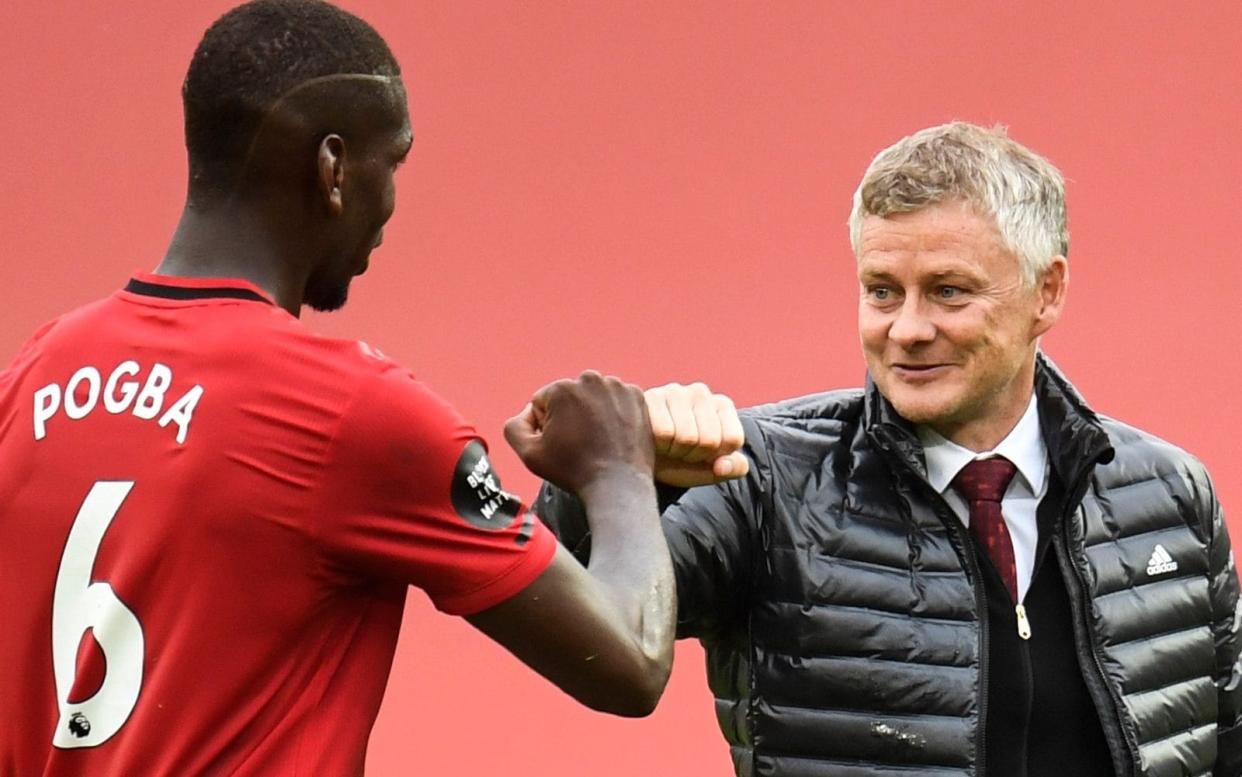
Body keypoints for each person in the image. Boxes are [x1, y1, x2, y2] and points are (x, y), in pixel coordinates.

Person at [0, 2, 745, 775]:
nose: (388, 208)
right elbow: (629, 660)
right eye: (394, 163)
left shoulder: (32, 373)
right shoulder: (353, 412)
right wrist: (617, 467)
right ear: (332, 167)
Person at [540, 122, 1242, 776]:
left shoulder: (1170, 494)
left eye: (947, 292)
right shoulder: (754, 476)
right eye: (882, 291)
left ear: (1046, 292)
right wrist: (619, 477)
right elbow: (571, 621)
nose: (906, 328)